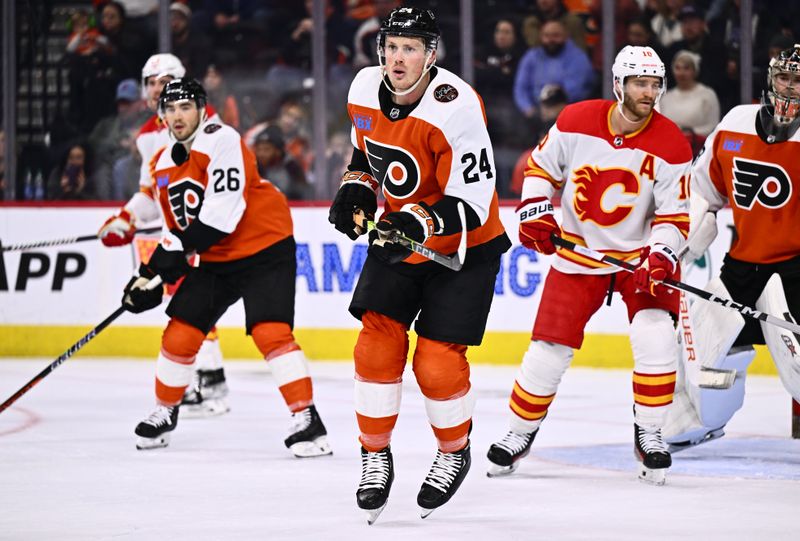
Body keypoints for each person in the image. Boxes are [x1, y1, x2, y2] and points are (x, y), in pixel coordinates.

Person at [328, 7, 510, 523]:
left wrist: (419, 222)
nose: (398, 57)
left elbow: (474, 200)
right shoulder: (363, 89)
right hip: (398, 239)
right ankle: (374, 454)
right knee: (376, 343)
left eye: (411, 48)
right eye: (392, 46)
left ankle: (454, 451)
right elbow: (367, 156)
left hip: (465, 249)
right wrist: (355, 189)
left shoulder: (457, 106)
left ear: (431, 56)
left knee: (435, 362)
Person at [486, 45, 693, 486]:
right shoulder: (576, 120)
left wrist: (661, 254)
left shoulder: (672, 142)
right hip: (580, 251)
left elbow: (676, 215)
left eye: (656, 84)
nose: (649, 92)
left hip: (640, 258)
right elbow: (540, 169)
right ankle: (518, 432)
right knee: (548, 351)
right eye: (640, 82)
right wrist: (535, 210)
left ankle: (650, 433)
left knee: (655, 337)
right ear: (618, 84)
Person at [121, 78, 332, 457]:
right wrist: (147, 275)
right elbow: (177, 229)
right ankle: (164, 411)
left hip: (264, 246)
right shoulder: (161, 164)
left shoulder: (222, 139)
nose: (178, 115)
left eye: (186, 107)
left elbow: (221, 216)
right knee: (181, 332)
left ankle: (308, 420)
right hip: (217, 257)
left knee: (271, 332)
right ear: (161, 117)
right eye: (170, 109)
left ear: (202, 110)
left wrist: (162, 268)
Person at [663, 43, 800, 450]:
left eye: (799, 81)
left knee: (797, 365)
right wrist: (681, 249)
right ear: (770, 78)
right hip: (740, 266)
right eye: (785, 78)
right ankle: (702, 420)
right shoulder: (736, 122)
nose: (790, 88)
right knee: (707, 359)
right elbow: (703, 192)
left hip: (794, 269)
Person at [96, 53, 229, 418]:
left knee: (196, 305)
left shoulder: (206, 121)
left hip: (206, 232)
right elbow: (150, 194)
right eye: (152, 82)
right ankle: (208, 380)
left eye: (165, 80)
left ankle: (211, 382)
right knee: (186, 305)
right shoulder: (146, 137)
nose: (158, 87)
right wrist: (126, 218)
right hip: (177, 234)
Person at [659, 50, 720, 137]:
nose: (681, 73)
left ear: (695, 71)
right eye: (677, 68)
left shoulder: (708, 94)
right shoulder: (666, 97)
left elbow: (713, 126)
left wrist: (691, 133)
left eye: (686, 68)